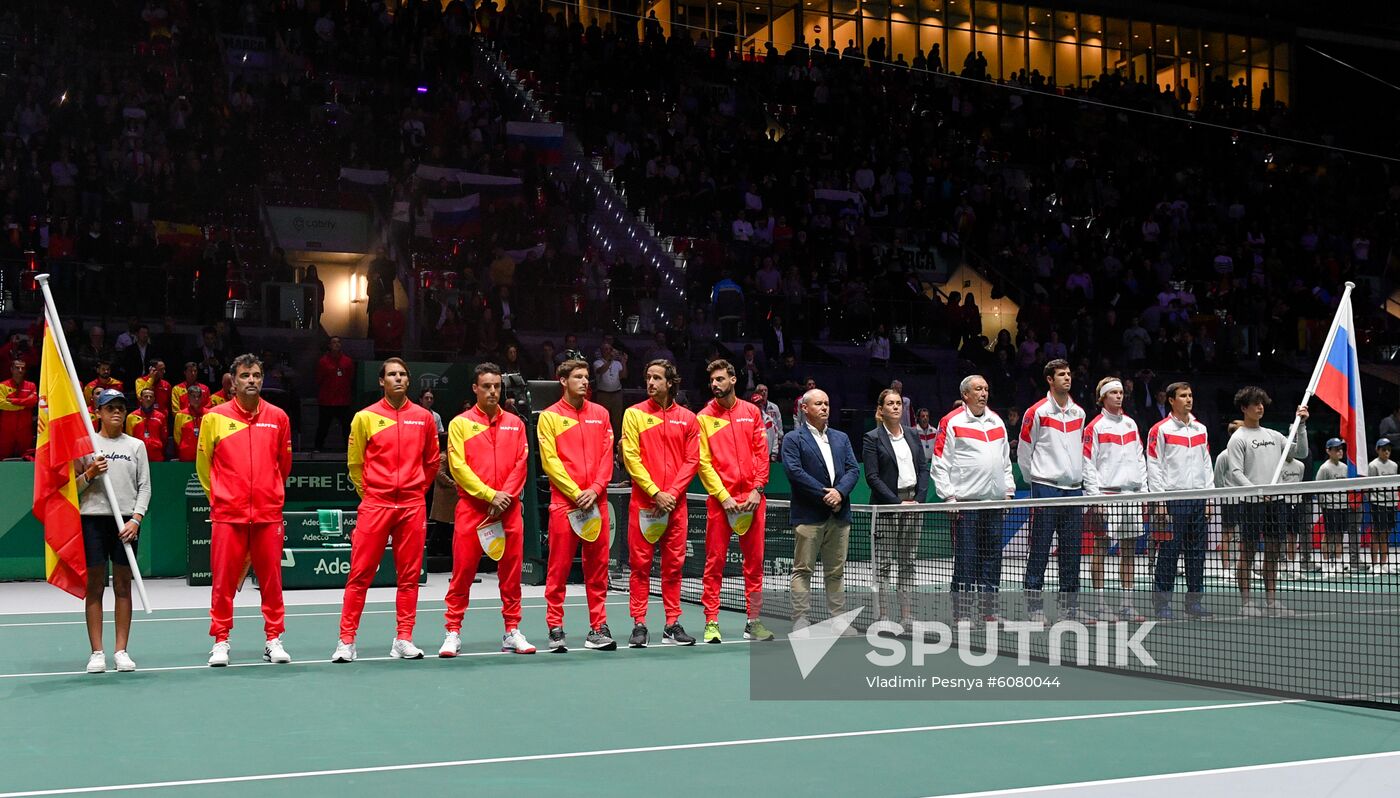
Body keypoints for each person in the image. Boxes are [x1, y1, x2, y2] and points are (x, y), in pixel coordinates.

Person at [333, 359, 441, 663]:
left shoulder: (424, 418)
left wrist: (417, 490)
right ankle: (346, 640)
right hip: (376, 504)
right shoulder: (365, 417)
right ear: (382, 381)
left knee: (409, 577)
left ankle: (404, 638)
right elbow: (355, 463)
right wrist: (370, 493)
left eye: (403, 374)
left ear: (409, 380)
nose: (398, 378)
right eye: (392, 374)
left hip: (411, 506)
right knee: (360, 574)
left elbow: (432, 462)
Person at [197, 354, 293, 667]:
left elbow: (284, 465)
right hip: (228, 514)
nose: (251, 380)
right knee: (223, 582)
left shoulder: (278, 417)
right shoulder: (214, 417)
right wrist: (222, 498)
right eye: (244, 376)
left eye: (255, 375)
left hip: (268, 514)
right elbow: (203, 466)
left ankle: (273, 638)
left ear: (262, 380)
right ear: (233, 381)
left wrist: (270, 493)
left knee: (271, 580)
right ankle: (221, 640)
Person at [440, 363, 535, 657]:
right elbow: (458, 467)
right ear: (475, 389)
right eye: (486, 386)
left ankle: (512, 631)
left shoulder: (516, 424)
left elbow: (522, 462)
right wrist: (489, 494)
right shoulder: (460, 424)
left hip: (508, 510)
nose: (493, 391)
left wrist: (504, 496)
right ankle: (453, 632)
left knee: (511, 574)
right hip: (473, 510)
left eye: (496, 386)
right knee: (463, 573)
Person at [537, 359, 617, 652]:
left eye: (586, 377)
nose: (585, 382)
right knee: (557, 570)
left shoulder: (602, 414)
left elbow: (608, 457)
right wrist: (575, 492)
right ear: (563, 380)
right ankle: (555, 627)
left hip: (597, 503)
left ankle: (598, 627)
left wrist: (595, 490)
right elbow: (550, 461)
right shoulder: (549, 417)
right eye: (578, 377)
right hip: (565, 504)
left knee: (597, 570)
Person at [620, 359, 700, 647]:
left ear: (670, 383)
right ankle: (639, 623)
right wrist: (655, 492)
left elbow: (693, 460)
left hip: (675, 505)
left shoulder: (688, 419)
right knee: (639, 566)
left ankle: (671, 623)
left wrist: (673, 494)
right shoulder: (634, 414)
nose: (651, 383)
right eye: (648, 378)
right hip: (645, 504)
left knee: (674, 566)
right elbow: (631, 457)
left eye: (657, 378)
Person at [697, 359, 774, 643]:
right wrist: (723, 496)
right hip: (722, 502)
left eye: (720, 379)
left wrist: (758, 489)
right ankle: (711, 622)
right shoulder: (703, 417)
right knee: (714, 562)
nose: (715, 384)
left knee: (754, 564)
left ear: (733, 380)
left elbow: (761, 453)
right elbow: (703, 463)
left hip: (753, 500)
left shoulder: (752, 412)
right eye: (712, 380)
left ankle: (753, 621)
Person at [76, 389, 151, 674]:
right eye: (110, 408)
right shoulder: (86, 445)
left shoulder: (136, 446)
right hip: (93, 519)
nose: (116, 412)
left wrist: (136, 519)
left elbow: (144, 486)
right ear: (98, 413)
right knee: (95, 587)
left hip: (125, 524)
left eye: (120, 407)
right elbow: (73, 487)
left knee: (123, 586)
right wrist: (90, 473)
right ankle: (97, 652)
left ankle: (121, 651)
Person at [932, 375, 1015, 621]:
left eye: (986, 389)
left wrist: (1008, 492)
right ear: (965, 394)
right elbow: (940, 461)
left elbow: (1005, 461)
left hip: (994, 503)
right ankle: (963, 612)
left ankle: (989, 611)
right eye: (978, 389)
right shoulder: (951, 421)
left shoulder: (997, 421)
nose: (984, 393)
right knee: (966, 560)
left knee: (992, 559)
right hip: (966, 505)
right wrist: (948, 497)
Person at [1224, 386, 1308, 616]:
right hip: (1252, 502)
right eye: (1255, 403)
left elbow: (1299, 453)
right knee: (1248, 551)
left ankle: (1271, 602)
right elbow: (1236, 473)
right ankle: (1246, 603)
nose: (1260, 407)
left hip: (1276, 502)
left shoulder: (1273, 435)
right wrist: (1258, 491)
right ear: (1244, 408)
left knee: (1273, 551)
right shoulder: (1238, 439)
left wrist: (1301, 427)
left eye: (1262, 403)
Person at [781, 388, 860, 630]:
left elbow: (853, 469)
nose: (824, 407)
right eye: (818, 404)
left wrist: (840, 493)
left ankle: (838, 619)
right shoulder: (793, 439)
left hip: (839, 515)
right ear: (804, 408)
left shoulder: (841, 437)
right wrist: (826, 494)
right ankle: (801, 619)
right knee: (803, 570)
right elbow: (795, 472)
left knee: (836, 572)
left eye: (826, 403)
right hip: (808, 515)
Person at [1019, 359, 1088, 621]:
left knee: (1071, 551)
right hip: (1046, 488)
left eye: (1069, 374)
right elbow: (1025, 450)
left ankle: (1068, 607)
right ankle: (1034, 607)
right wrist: (1035, 480)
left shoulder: (1079, 413)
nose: (1067, 378)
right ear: (1050, 379)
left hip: (1073, 490)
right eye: (1061, 375)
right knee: (1040, 549)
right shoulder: (1036, 412)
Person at [1082, 377, 1148, 622]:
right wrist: (1095, 497)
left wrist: (1143, 492)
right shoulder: (1095, 426)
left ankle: (1127, 605)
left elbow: (1140, 459)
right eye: (1114, 393)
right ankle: (1100, 605)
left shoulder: (1131, 424)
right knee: (1100, 549)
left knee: (1129, 550)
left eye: (1121, 392)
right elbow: (1087, 463)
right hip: (1106, 494)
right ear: (1102, 398)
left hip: (1131, 495)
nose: (1119, 396)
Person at [1145, 381, 1214, 619]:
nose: (1188, 399)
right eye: (1183, 396)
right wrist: (1160, 501)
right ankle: (1162, 605)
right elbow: (1154, 466)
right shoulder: (1160, 429)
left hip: (1198, 499)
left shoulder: (1200, 429)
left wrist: (1210, 496)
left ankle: (1194, 602)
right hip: (1172, 500)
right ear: (1171, 400)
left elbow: (1207, 463)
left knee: (1197, 554)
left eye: (1190, 394)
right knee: (1169, 554)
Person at [863, 388, 929, 625]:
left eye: (899, 403)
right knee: (884, 563)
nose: (896, 407)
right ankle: (883, 615)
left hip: (913, 505)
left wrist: (919, 501)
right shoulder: (872, 438)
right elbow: (872, 477)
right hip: (887, 506)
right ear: (881, 410)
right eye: (890, 403)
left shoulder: (912, 434)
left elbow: (923, 468)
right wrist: (896, 502)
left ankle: (906, 615)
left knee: (908, 561)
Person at [1315, 439, 1357, 575]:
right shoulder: (1324, 468)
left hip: (1343, 506)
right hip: (1330, 507)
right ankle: (1326, 565)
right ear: (1328, 451)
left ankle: (1338, 564)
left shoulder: (1345, 467)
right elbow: (1318, 487)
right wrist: (1324, 505)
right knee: (1329, 535)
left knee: (1339, 536)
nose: (1339, 451)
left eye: (1341, 448)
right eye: (1336, 448)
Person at [1213, 420, 1244, 576]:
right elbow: (1218, 480)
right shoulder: (1223, 456)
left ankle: (1242, 568)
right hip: (1230, 501)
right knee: (1227, 535)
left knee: (1244, 535)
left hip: (1246, 501)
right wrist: (1225, 496)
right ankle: (1226, 569)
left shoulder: (1246, 454)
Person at [315, 336, 355, 451]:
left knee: (347, 427)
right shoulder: (323, 362)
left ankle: (350, 449)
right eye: (334, 342)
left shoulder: (348, 362)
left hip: (343, 400)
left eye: (338, 342)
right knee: (323, 426)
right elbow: (319, 379)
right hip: (327, 400)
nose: (336, 344)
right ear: (329, 345)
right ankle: (318, 448)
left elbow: (350, 378)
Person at [1367, 439, 1397, 574]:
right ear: (1377, 450)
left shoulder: (1394, 465)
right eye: (1384, 449)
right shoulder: (1373, 466)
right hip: (1377, 504)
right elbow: (1368, 487)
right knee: (1376, 534)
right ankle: (1375, 565)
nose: (1386, 452)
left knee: (1386, 534)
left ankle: (1384, 564)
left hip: (1391, 504)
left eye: (1389, 449)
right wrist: (1373, 501)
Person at [0, 358, 37, 458]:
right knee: (3, 457)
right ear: (11, 369)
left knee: (27, 457)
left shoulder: (31, 385)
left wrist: (15, 401)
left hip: (25, 429)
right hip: (6, 429)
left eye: (22, 368)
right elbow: (2, 404)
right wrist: (23, 405)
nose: (20, 370)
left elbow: (33, 401)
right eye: (17, 368)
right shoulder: (3, 385)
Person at [591, 341, 627, 437]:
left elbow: (624, 375)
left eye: (610, 349)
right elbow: (601, 371)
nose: (608, 351)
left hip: (617, 394)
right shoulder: (597, 362)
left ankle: (616, 444)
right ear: (601, 351)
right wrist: (610, 360)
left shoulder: (617, 363)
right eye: (605, 349)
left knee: (617, 420)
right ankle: (602, 440)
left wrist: (623, 361)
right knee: (602, 419)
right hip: (603, 395)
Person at [125, 387, 166, 463]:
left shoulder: (161, 417)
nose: (148, 399)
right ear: (141, 399)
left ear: (154, 399)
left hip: (156, 456)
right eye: (146, 396)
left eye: (151, 397)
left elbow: (164, 438)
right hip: (137, 455)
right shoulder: (131, 417)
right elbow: (129, 439)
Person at [173, 385, 208, 462]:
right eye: (193, 396)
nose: (196, 399)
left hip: (204, 455)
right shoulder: (181, 415)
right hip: (186, 455)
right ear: (188, 397)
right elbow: (177, 436)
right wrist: (185, 447)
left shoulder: (208, 414)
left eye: (199, 396)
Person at [753, 384, 783, 460]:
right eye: (761, 390)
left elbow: (779, 423)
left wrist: (780, 437)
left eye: (765, 390)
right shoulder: (749, 414)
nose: (764, 392)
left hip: (771, 441)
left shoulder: (774, 407)